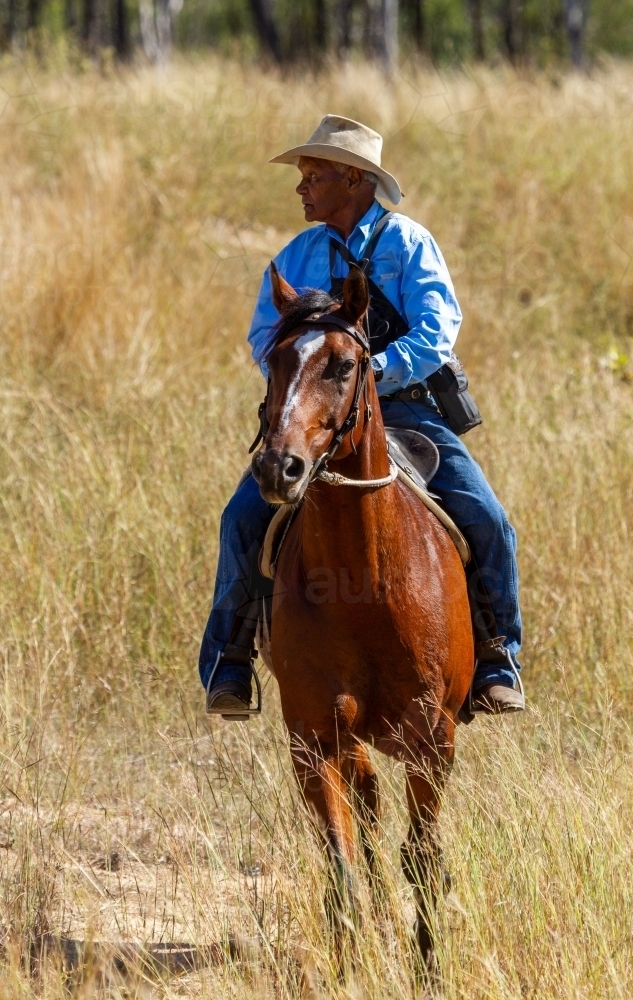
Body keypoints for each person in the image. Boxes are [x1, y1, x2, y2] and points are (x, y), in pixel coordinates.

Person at [200, 114, 524, 718]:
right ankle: (230, 662)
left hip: (404, 415)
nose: (301, 188)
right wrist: (307, 383)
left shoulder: (408, 244)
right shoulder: (296, 255)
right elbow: (263, 336)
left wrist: (368, 373)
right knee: (241, 519)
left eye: (313, 175)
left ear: (353, 179)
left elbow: (437, 332)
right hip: (318, 419)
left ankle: (498, 660)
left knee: (488, 518)